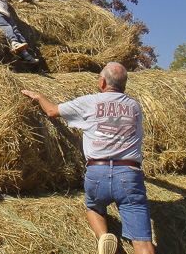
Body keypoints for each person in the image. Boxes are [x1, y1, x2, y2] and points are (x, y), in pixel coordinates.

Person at [21, 62, 155, 254]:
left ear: (102, 82)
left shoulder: (89, 102)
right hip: (129, 173)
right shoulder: (135, 106)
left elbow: (51, 111)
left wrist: (39, 96)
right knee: (142, 242)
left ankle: (104, 237)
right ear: (124, 84)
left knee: (94, 207)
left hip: (97, 171)